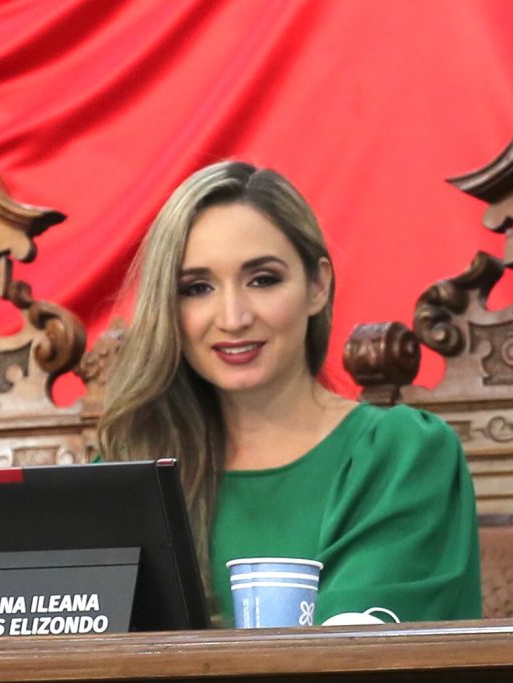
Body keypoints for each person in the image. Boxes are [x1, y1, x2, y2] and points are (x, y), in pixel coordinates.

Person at [98, 160, 481, 626]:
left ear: (318, 285)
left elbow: (354, 654)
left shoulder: (404, 453)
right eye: (197, 288)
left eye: (262, 280)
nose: (233, 317)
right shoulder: (128, 470)